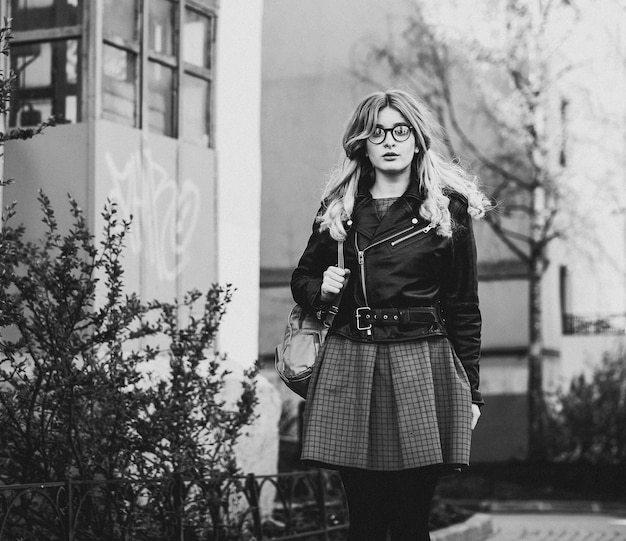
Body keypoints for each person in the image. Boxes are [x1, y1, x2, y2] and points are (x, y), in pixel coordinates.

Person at [290, 89, 489, 541]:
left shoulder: (445, 209)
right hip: (351, 362)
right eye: (378, 131)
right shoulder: (340, 208)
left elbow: (463, 306)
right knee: (364, 521)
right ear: (363, 142)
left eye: (401, 130)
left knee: (410, 520)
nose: (390, 140)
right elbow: (301, 281)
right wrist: (321, 288)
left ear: (417, 140)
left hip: (423, 365)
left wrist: (472, 391)